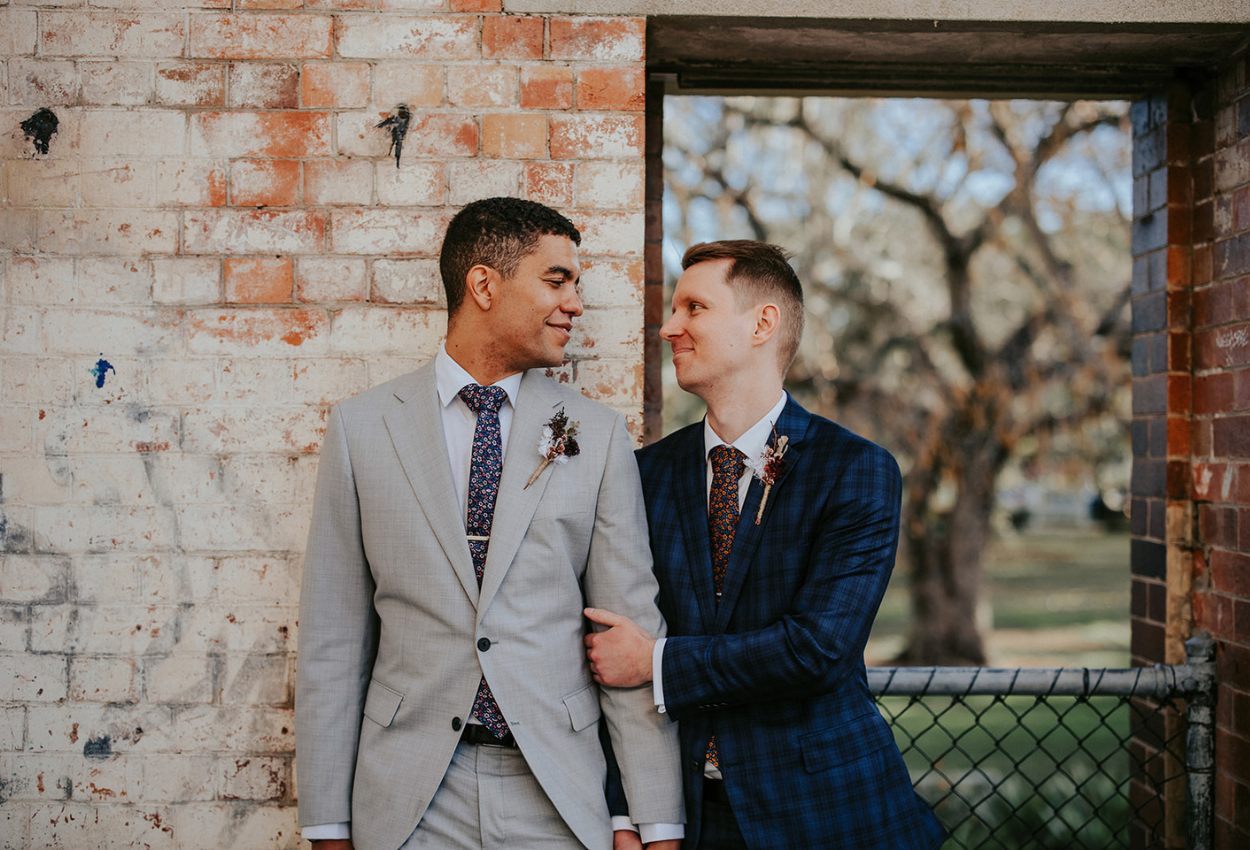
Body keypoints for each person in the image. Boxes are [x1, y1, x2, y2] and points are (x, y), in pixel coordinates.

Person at [296, 197, 684, 850]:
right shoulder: (362, 429)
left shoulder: (596, 434)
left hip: (557, 792)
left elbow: (628, 626)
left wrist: (656, 820)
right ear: (483, 284)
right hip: (407, 800)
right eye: (556, 280)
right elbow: (332, 639)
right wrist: (328, 824)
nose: (575, 304)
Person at [585, 240, 946, 849]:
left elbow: (817, 649)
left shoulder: (855, 470)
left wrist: (656, 662)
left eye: (694, 307)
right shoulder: (643, 475)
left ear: (762, 323)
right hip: (689, 819)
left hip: (827, 813)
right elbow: (611, 644)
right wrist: (627, 815)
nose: (670, 327)